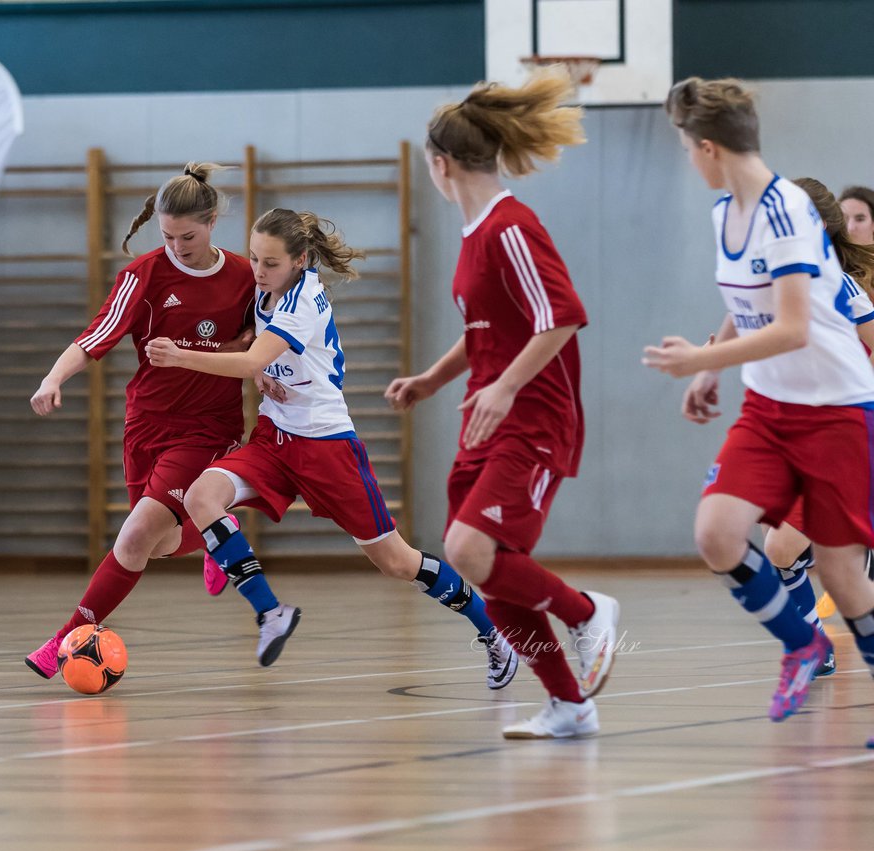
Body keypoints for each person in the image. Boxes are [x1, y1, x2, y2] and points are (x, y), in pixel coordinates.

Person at [145, 209, 519, 687]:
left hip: (325, 445)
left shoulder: (304, 300)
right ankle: (271, 613)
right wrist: (261, 370)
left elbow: (253, 355)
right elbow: (254, 350)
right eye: (255, 258)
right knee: (201, 497)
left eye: (271, 263)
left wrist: (184, 357)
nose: (258, 271)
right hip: (275, 439)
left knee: (397, 562)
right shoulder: (265, 289)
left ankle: (494, 634)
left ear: (300, 260)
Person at [384, 68, 620, 740]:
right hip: (485, 417)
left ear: (441, 164)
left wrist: (508, 384)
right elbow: (490, 330)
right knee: (481, 567)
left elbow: (562, 317)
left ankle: (585, 611)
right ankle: (570, 706)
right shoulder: (477, 234)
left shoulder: (511, 226)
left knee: (468, 545)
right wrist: (433, 379)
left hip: (535, 417)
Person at [645, 78, 874, 735]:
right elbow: (749, 300)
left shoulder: (790, 211)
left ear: (709, 147)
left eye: (688, 148)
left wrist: (699, 359)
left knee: (842, 574)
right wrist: (712, 360)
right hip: (769, 410)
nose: (688, 159)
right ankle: (803, 642)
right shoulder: (727, 213)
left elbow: (795, 327)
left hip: (834, 411)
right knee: (717, 533)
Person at [25, 163, 258, 678]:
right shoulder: (144, 275)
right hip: (147, 424)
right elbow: (95, 336)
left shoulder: (244, 276)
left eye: (189, 236)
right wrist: (52, 378)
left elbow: (261, 346)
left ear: (214, 219)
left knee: (131, 539)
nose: (177, 246)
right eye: (168, 235)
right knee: (157, 545)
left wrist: (256, 367)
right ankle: (219, 529)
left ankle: (63, 641)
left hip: (208, 430)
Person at [760, 177, 874, 670]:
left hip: (849, 431)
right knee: (780, 549)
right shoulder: (780, 284)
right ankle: (815, 647)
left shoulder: (843, 289)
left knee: (815, 558)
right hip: (803, 430)